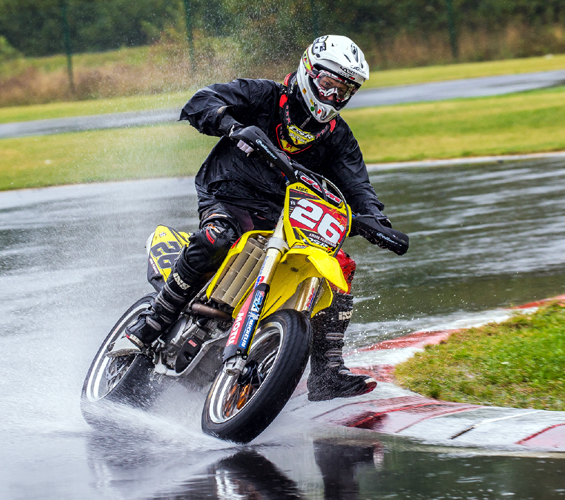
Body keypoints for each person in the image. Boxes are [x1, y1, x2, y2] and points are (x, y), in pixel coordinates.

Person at [127, 35, 395, 401]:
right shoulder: (265, 95)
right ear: (307, 70)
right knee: (218, 237)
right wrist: (230, 125)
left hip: (285, 215)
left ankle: (327, 373)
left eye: (343, 90)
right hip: (228, 192)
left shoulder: (338, 136)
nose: (332, 97)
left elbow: (358, 186)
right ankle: (153, 321)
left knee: (340, 269)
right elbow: (200, 102)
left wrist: (376, 220)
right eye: (327, 84)